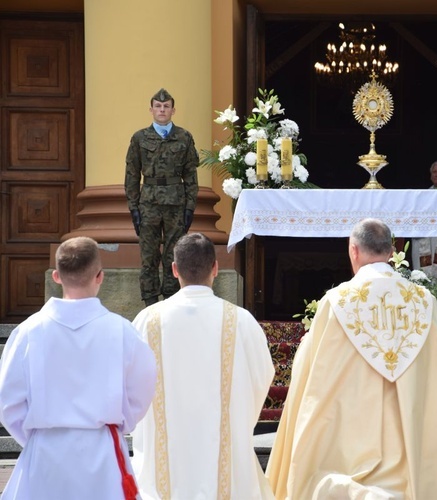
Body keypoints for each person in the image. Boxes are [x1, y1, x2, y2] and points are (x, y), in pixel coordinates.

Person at [267, 218, 437, 500]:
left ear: (353, 251)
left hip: (348, 444)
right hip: (409, 444)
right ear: (392, 251)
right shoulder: (423, 301)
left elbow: (309, 371)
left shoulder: (337, 302)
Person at [0, 236, 157, 499]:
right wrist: (118, 424)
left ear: (56, 276)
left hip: (45, 453)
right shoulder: (121, 331)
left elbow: (9, 401)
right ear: (100, 276)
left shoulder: (29, 331)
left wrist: (39, 436)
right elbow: (141, 390)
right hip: (102, 453)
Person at [131, 232, 275, 499]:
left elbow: (131, 384)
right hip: (226, 461)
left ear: (174, 270)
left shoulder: (146, 320)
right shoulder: (241, 321)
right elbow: (262, 376)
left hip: (163, 462)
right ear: (216, 268)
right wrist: (237, 419)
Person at [125, 88, 199, 307]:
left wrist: (190, 207)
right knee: (148, 257)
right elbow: (131, 174)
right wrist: (133, 208)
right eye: (158, 106)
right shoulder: (139, 138)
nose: (162, 110)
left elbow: (190, 175)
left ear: (173, 110)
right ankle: (149, 305)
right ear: (151, 110)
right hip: (148, 204)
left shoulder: (184, 137)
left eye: (166, 106)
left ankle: (170, 301)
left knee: (173, 256)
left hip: (176, 204)